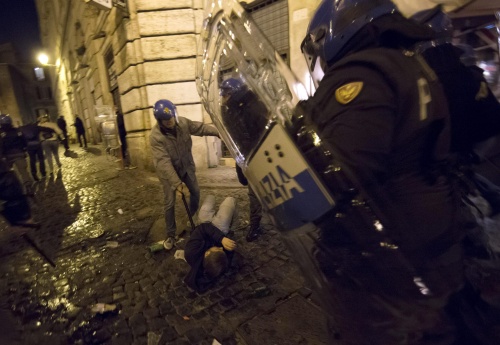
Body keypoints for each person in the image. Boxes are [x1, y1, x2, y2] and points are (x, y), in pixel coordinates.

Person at [289, 1, 470, 343]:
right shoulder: (406, 63)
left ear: (333, 32)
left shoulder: (360, 74)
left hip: (388, 265)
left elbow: (339, 172)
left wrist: (292, 149)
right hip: (431, 243)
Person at [150, 99, 219, 251]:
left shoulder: (183, 123)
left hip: (186, 167)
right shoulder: (155, 137)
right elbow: (164, 163)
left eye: (171, 118)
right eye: (166, 121)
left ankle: (191, 217)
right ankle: (170, 234)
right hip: (168, 174)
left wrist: (218, 132)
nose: (170, 122)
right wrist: (177, 183)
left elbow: (200, 128)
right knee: (169, 202)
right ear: (159, 121)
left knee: (196, 192)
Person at [219, 78, 268, 242]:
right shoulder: (231, 110)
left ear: (232, 94)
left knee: (254, 192)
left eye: (224, 95)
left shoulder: (250, 108)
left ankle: (254, 226)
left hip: (256, 156)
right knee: (253, 188)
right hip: (247, 155)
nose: (222, 98)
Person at [184, 195, 238, 292]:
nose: (221, 248)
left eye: (217, 249)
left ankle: (212, 196)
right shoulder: (217, 263)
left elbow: (203, 228)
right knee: (230, 200)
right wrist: (226, 241)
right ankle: (229, 199)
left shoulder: (191, 252)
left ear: (207, 253)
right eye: (221, 250)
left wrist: (221, 239)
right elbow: (228, 258)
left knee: (210, 198)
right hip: (219, 228)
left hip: (204, 224)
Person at [0, 114, 33, 194]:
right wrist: (24, 150)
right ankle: (28, 186)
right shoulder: (17, 131)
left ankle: (16, 188)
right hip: (19, 153)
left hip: (7, 156)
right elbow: (24, 141)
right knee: (23, 171)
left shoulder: (1, 133)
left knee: (9, 173)